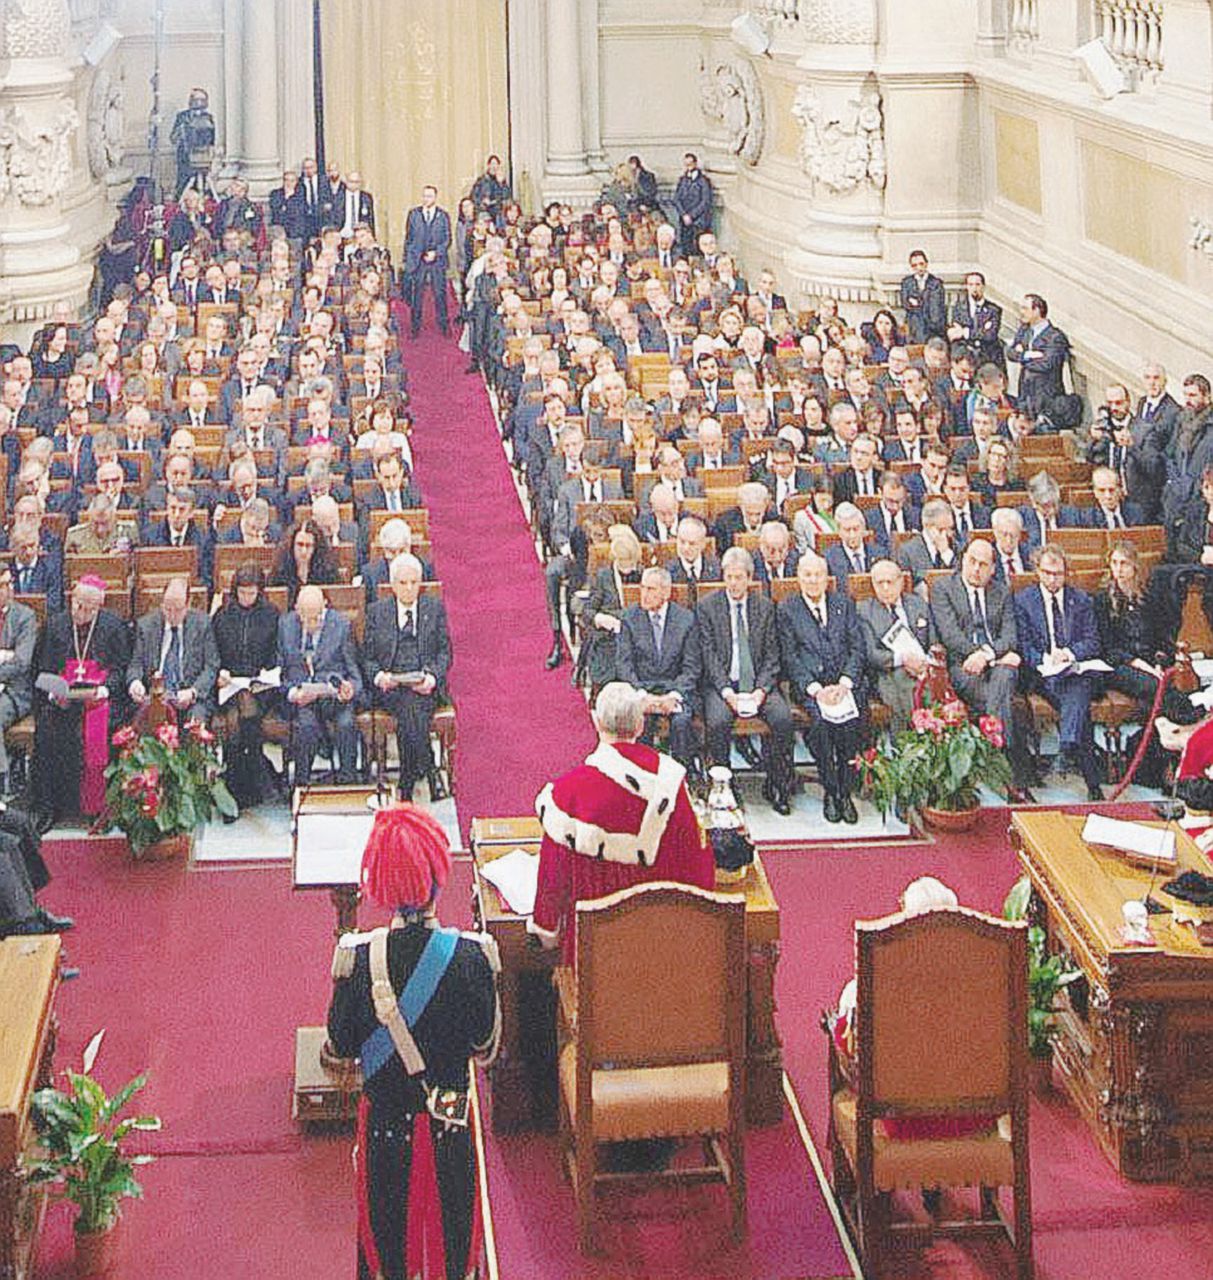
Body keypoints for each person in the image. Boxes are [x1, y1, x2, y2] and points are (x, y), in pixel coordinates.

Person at [327, 802, 500, 1280]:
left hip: (385, 1124)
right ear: (438, 878)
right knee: (455, 1245)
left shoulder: (358, 961)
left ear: (379, 885)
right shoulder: (471, 957)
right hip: (449, 1119)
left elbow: (339, 1049)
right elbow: (486, 1046)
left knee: (384, 1247)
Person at [529, 682, 715, 960]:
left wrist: (547, 932)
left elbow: (551, 888)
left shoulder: (566, 796)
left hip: (594, 962)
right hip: (663, 953)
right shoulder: (671, 783)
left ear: (595, 721)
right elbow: (694, 867)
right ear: (640, 725)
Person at [929, 537, 1032, 800]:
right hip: (963, 667)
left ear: (993, 569)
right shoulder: (943, 588)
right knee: (1005, 698)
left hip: (993, 664)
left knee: (1006, 675)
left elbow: (1010, 637)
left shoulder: (1001, 591)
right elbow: (950, 635)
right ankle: (1013, 780)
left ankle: (998, 762)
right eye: (972, 561)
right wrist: (978, 655)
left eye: (983, 564)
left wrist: (986, 655)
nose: (976, 569)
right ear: (963, 560)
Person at [697, 547, 795, 813]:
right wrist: (727, 692)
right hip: (722, 686)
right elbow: (708, 656)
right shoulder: (707, 607)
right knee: (717, 721)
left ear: (750, 579)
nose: (734, 583)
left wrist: (761, 691)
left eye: (739, 577)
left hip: (758, 685)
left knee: (783, 718)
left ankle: (777, 783)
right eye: (729, 577)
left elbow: (773, 655)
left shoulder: (764, 607)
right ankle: (724, 786)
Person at [31, 576, 130, 827]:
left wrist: (105, 690)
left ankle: (99, 807)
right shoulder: (55, 625)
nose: (78, 611)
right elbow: (41, 670)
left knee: (105, 731)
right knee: (47, 731)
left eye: (86, 607)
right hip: (63, 702)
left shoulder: (113, 626)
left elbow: (121, 668)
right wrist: (55, 692)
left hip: (100, 702)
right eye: (76, 603)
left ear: (97, 607)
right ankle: (49, 807)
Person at [777, 551, 867, 824]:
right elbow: (790, 657)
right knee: (819, 725)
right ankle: (831, 789)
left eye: (818, 575)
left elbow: (857, 647)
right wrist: (816, 689)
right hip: (811, 688)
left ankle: (846, 790)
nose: (813, 580)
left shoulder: (844, 604)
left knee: (854, 722)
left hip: (844, 684)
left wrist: (844, 683)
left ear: (827, 578)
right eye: (807, 575)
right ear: (798, 578)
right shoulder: (787, 609)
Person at [1013, 545, 1104, 800]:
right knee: (1078, 702)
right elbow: (1022, 645)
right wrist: (1046, 658)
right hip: (1044, 674)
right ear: (1037, 571)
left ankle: (1067, 748)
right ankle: (1089, 777)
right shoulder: (1023, 601)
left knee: (1078, 685)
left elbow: (1092, 641)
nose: (1053, 579)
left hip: (1076, 669)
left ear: (1066, 573)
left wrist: (1069, 654)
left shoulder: (1081, 600)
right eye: (1048, 573)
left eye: (1058, 573)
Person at [361, 555, 452, 802]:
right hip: (391, 687)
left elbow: (445, 652)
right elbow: (367, 658)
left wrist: (432, 677)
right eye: (403, 583)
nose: (409, 588)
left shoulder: (434, 609)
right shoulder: (377, 612)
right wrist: (380, 677)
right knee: (409, 707)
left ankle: (407, 782)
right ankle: (428, 772)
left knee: (410, 710)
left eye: (414, 582)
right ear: (393, 585)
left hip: (424, 686)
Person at [615, 565, 701, 772]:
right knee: (640, 721)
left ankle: (682, 780)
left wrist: (673, 695)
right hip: (642, 690)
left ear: (666, 592)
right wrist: (643, 696)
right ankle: (642, 778)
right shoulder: (629, 618)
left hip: (675, 690)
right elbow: (624, 665)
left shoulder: (686, 620)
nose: (644, 594)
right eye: (643, 588)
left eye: (651, 589)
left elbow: (692, 667)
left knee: (682, 723)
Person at [212, 565, 283, 807]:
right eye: (242, 593)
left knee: (245, 705)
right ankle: (255, 773)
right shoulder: (222, 616)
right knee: (234, 716)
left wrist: (265, 673)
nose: (246, 598)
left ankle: (239, 783)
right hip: (229, 684)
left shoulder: (271, 614)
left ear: (259, 592)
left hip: (261, 687)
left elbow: (276, 653)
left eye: (251, 593)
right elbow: (214, 653)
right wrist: (221, 673)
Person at [280, 584, 362, 785]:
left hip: (334, 698)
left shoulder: (341, 626)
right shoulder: (286, 625)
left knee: (346, 725)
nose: (310, 623)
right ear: (297, 609)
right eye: (305, 617)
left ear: (325, 606)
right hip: (304, 699)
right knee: (306, 726)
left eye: (316, 617)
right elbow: (278, 671)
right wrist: (292, 693)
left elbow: (355, 675)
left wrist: (349, 689)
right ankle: (301, 785)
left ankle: (347, 783)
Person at [858, 558, 936, 735]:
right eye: (880, 583)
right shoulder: (864, 611)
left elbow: (934, 641)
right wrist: (903, 659)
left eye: (890, 582)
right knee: (903, 685)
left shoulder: (918, 604)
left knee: (934, 688)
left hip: (924, 668)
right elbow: (871, 654)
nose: (885, 588)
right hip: (887, 672)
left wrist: (925, 662)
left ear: (901, 582)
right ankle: (909, 745)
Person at [127, 576, 220, 723]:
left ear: (188, 605)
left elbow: (211, 666)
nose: (172, 615)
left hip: (190, 697)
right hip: (155, 695)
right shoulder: (145, 625)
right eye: (167, 609)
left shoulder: (203, 624)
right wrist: (135, 682)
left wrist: (193, 691)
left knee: (196, 723)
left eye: (178, 610)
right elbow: (136, 663)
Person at [0, 564, 36, 797]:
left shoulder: (25, 616)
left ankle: (2, 782)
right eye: (2, 585)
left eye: (9, 583)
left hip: (14, 692)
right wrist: (5, 655)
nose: (8, 589)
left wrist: (9, 659)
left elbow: (22, 662)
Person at [1007, 293, 1071, 418]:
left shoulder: (1055, 337)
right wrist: (1028, 355)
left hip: (1046, 396)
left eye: (1025, 308)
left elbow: (1047, 364)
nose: (1021, 312)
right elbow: (1010, 352)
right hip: (1026, 394)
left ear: (1037, 310)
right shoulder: (1024, 331)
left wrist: (1022, 358)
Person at [403, 186, 452, 338]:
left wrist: (436, 253)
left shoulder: (443, 216)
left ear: (435, 197)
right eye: (424, 196)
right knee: (417, 295)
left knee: (440, 294)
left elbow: (447, 239)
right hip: (418, 261)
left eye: (430, 196)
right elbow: (409, 238)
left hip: (437, 261)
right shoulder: (413, 214)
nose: (426, 199)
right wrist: (408, 258)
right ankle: (415, 327)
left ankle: (443, 325)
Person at [271, 519, 339, 606]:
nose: (303, 551)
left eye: (308, 546)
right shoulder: (280, 572)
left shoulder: (328, 571)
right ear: (292, 545)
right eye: (300, 545)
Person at [899, 249, 947, 345]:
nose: (919, 268)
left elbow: (936, 306)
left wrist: (918, 302)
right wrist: (922, 302)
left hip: (932, 326)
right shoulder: (907, 283)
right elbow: (905, 303)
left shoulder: (936, 283)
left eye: (921, 264)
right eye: (915, 265)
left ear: (926, 263)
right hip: (914, 325)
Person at [673, 153, 713, 258]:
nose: (688, 166)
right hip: (684, 221)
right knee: (685, 247)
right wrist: (683, 214)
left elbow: (705, 201)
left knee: (698, 248)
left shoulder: (703, 181)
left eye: (690, 164)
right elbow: (676, 199)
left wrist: (692, 215)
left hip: (698, 221)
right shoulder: (682, 180)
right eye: (686, 164)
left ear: (695, 163)